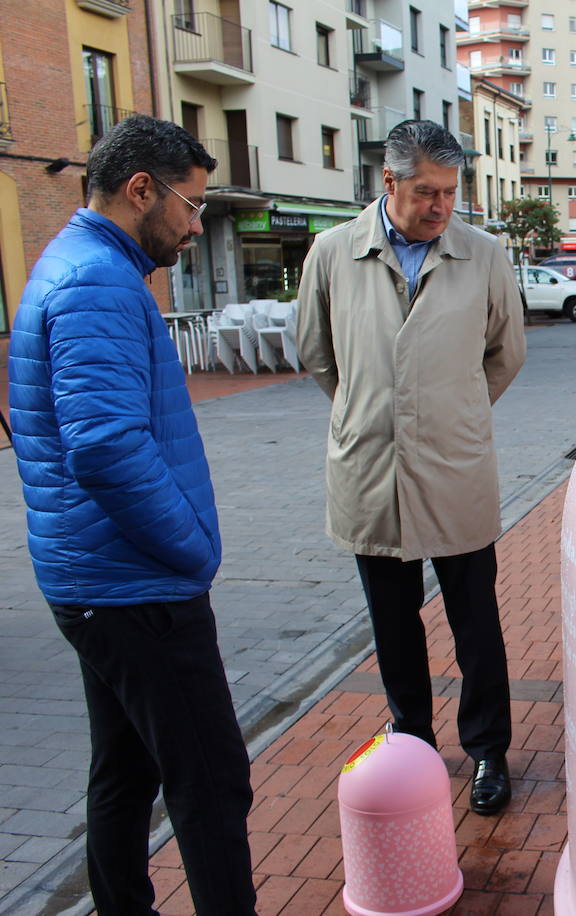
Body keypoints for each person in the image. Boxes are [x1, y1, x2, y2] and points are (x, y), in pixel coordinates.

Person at [7, 115, 257, 915]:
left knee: (125, 769)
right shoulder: (96, 283)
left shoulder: (76, 266)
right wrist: (188, 549)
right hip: (136, 586)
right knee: (212, 782)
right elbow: (105, 446)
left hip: (99, 579)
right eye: (191, 205)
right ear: (140, 188)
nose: (194, 225)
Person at [295, 120, 526, 816]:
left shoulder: (482, 255)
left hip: (455, 467)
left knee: (475, 620)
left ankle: (488, 747)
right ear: (387, 181)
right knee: (392, 624)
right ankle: (414, 744)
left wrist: (446, 414)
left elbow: (505, 353)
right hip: (369, 469)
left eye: (451, 192)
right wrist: (377, 415)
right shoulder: (332, 252)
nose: (440, 206)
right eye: (425, 191)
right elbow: (316, 353)